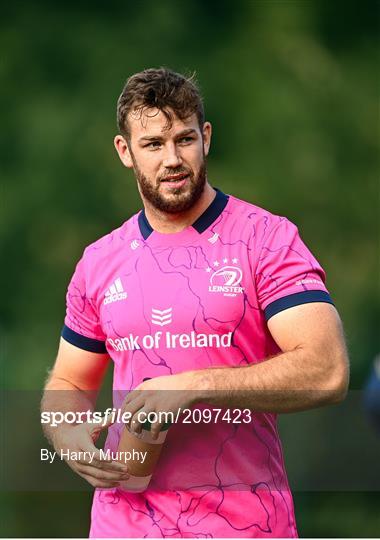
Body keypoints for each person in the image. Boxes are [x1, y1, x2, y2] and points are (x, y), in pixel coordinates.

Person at [42, 67, 349, 538]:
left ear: (206, 137)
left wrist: (190, 386)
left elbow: (327, 371)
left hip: (245, 526)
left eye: (184, 139)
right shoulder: (99, 261)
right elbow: (69, 380)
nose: (172, 159)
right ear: (125, 151)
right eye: (152, 144)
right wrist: (67, 435)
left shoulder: (266, 239)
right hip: (122, 524)